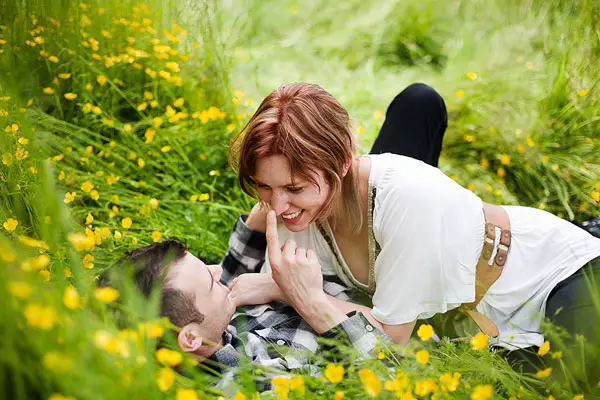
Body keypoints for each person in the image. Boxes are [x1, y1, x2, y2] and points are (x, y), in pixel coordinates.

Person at [229, 82, 600, 355]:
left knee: (570, 377)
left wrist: (293, 292)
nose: (276, 206)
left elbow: (388, 340)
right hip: (475, 319)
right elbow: (236, 281)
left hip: (554, 272)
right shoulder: (301, 208)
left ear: (342, 164)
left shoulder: (405, 197)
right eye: (264, 186)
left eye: (293, 188)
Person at [107, 231, 388, 385]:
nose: (218, 270)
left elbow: (229, 269)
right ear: (189, 339)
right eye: (209, 281)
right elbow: (390, 378)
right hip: (385, 313)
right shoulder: (257, 386)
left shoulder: (208, 327)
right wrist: (305, 298)